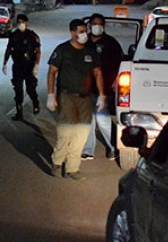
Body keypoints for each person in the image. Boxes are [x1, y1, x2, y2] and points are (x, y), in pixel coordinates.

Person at [46, 19, 105, 181]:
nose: (84, 34)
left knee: (81, 134)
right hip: (67, 97)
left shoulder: (90, 51)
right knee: (66, 132)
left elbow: (98, 73)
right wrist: (51, 94)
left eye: (85, 31)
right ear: (73, 33)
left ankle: (72, 168)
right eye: (81, 32)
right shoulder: (62, 50)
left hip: (85, 99)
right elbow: (52, 72)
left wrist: (102, 95)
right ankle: (57, 162)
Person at [81, 14, 123, 161]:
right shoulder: (84, 42)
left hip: (104, 89)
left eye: (99, 24)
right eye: (94, 23)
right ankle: (88, 149)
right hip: (85, 88)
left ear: (104, 26)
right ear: (89, 25)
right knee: (88, 119)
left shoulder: (111, 43)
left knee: (102, 118)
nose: (96, 26)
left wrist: (115, 82)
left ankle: (113, 147)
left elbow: (120, 64)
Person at [2, 14, 41, 121]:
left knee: (30, 89)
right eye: (19, 22)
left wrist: (36, 65)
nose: (21, 24)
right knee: (18, 90)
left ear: (26, 23)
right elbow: (9, 49)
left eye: (22, 22)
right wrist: (5, 63)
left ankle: (35, 102)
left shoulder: (32, 36)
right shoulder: (13, 35)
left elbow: (38, 51)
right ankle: (19, 113)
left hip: (29, 66)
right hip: (18, 66)